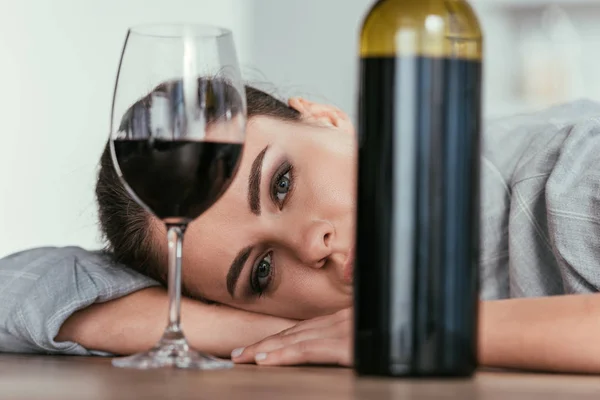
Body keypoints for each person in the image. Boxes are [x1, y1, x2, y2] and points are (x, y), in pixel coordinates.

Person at [2, 81, 600, 373]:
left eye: (280, 183)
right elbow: (19, 285)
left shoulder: (573, 182)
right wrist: (273, 331)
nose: (310, 244)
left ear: (325, 117)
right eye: (261, 271)